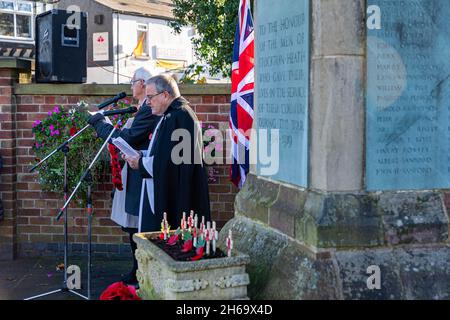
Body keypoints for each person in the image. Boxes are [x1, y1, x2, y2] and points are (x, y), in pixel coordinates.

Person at [87, 67, 160, 285]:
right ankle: (137, 269)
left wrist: (101, 125)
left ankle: (141, 272)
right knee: (131, 224)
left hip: (141, 173)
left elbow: (129, 139)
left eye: (133, 81)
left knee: (137, 224)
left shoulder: (148, 109)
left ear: (143, 84)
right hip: (131, 171)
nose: (130, 85)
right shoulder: (141, 108)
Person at [125, 74, 211, 232]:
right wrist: (143, 157)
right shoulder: (171, 115)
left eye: (150, 97)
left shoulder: (180, 117)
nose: (148, 101)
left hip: (180, 196)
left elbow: (173, 163)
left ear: (165, 95)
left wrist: (141, 163)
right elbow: (166, 153)